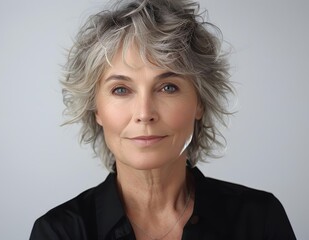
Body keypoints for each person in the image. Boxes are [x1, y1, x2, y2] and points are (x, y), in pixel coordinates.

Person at [30, 0, 296, 239]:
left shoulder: (259, 220)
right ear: (96, 109)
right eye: (121, 89)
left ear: (199, 102)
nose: (145, 113)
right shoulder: (59, 232)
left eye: (168, 87)